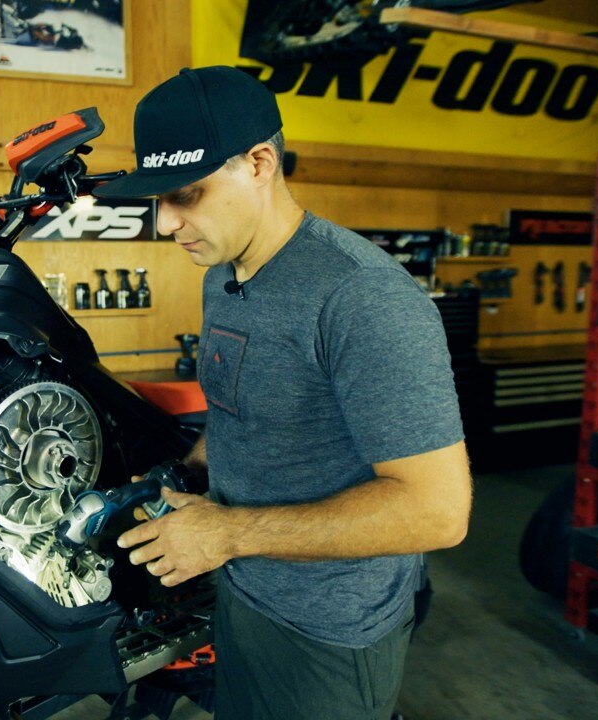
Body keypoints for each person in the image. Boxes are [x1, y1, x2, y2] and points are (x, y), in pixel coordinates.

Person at [94, 66, 472, 720]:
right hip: (244, 591)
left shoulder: (361, 299)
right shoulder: (225, 274)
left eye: (185, 193)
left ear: (260, 163)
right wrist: (185, 473)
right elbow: (244, 408)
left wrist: (227, 534)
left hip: (328, 628)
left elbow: (438, 510)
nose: (164, 222)